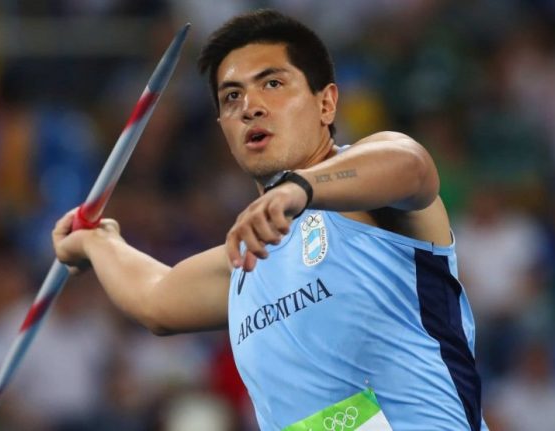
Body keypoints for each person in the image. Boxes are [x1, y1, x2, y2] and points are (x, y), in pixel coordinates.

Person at [53, 9, 487, 431]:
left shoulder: (374, 193)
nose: (250, 107)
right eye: (231, 97)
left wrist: (299, 188)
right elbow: (156, 299)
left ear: (326, 103)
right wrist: (96, 242)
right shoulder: (248, 260)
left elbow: (412, 165)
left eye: (273, 83)